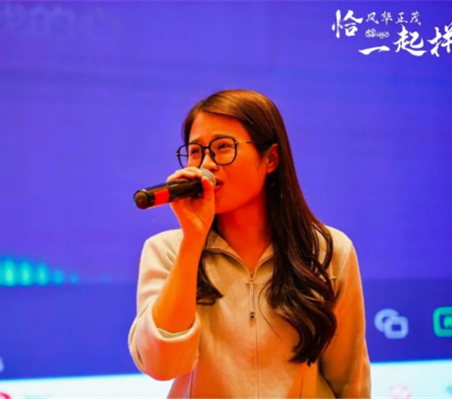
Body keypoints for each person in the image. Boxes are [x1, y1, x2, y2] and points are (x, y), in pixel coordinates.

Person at [128, 89, 371, 398]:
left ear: (271, 158)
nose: (207, 164)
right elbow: (162, 365)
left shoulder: (328, 250)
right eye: (196, 151)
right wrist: (193, 240)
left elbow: (349, 380)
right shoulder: (166, 250)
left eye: (223, 147)